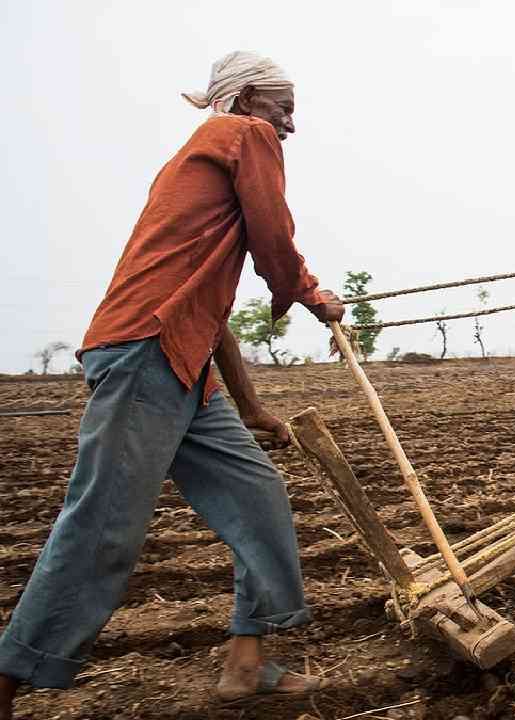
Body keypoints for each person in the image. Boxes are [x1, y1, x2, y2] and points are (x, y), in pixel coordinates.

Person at [0, 51, 341, 717]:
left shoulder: (207, 161)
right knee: (104, 524)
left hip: (182, 357)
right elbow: (274, 239)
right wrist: (308, 293)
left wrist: (251, 407)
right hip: (146, 352)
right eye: (285, 109)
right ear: (246, 98)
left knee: (257, 494)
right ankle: (8, 677)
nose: (290, 126)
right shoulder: (246, 136)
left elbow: (210, 316)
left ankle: (246, 663)